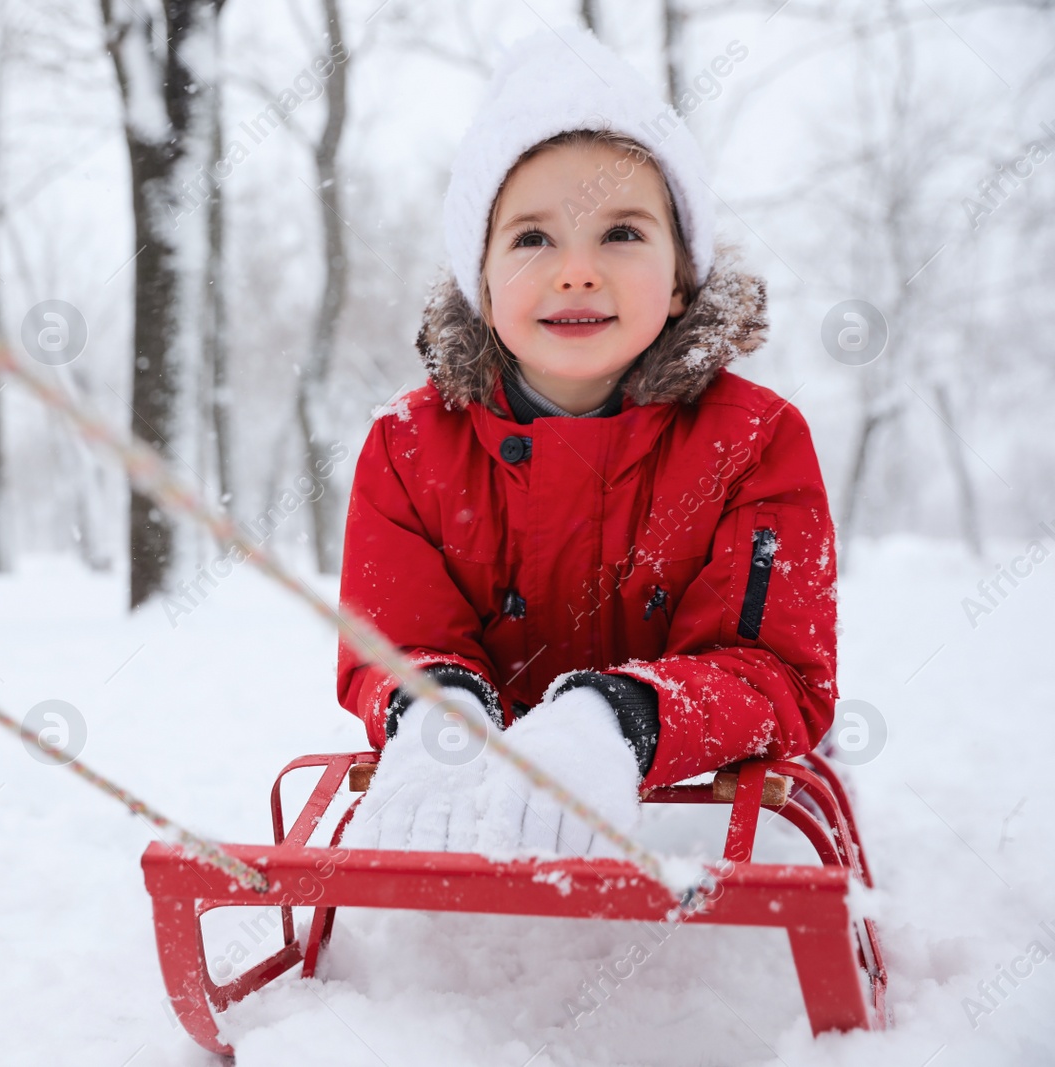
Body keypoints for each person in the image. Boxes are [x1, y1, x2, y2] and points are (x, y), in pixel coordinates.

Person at [337, 28, 837, 859]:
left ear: (681, 278)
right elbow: (394, 643)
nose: (576, 271)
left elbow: (775, 668)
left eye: (622, 233)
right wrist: (435, 710)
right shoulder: (408, 447)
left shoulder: (755, 441)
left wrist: (621, 718)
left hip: (689, 795)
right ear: (482, 278)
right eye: (532, 238)